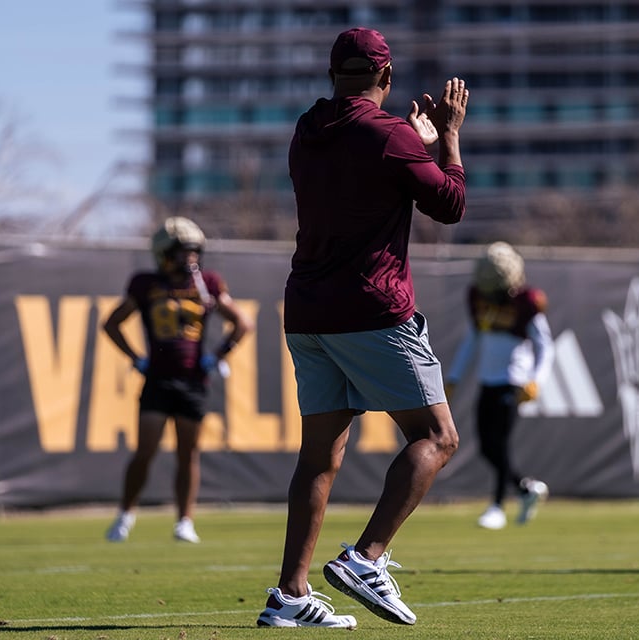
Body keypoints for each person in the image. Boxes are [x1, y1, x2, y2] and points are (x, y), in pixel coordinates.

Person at [255, 27, 468, 629]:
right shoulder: (391, 134)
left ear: (332, 74)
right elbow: (449, 205)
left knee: (320, 457)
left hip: (308, 310)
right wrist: (444, 137)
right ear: (387, 77)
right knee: (439, 436)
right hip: (372, 308)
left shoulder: (306, 129)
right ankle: (365, 558)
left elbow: (364, 163)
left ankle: (290, 595)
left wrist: (410, 144)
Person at [103, 216, 253, 544]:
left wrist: (219, 355)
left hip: (193, 381)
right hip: (157, 379)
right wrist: (136, 358)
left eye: (194, 251)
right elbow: (111, 323)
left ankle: (185, 521)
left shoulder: (208, 283)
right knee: (145, 451)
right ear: (164, 253)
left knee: (189, 454)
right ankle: (125, 515)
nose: (191, 258)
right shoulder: (145, 284)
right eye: (184, 252)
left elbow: (242, 323)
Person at [444, 242, 554, 530]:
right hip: (487, 380)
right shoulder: (478, 298)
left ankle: (496, 506)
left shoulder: (526, 302)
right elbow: (472, 339)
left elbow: (545, 346)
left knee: (500, 444)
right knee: (486, 446)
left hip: (513, 380)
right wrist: (453, 377)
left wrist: (535, 381)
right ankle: (525, 488)